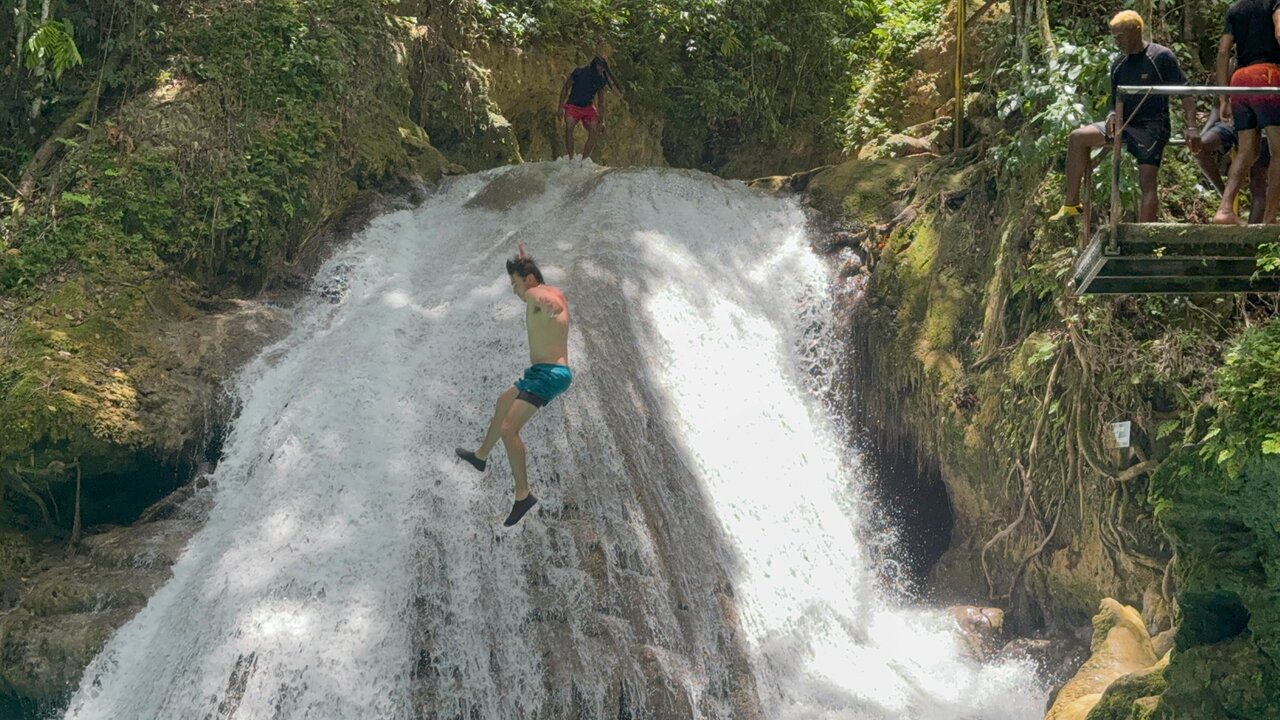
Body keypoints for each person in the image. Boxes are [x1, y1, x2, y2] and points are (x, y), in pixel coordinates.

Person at [455, 244, 572, 527]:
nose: (514, 290)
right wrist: (524, 262)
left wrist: (548, 305)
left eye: (515, 284)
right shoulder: (547, 289)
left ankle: (523, 495)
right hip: (539, 372)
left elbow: (544, 298)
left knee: (509, 429)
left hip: (550, 373)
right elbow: (547, 294)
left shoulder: (536, 293)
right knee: (503, 402)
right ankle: (481, 456)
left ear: (529, 281)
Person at [1050, 11, 1200, 223]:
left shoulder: (1160, 56)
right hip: (1123, 123)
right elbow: (1114, 101)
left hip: (1152, 127)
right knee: (1078, 137)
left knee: (1147, 180)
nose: (1117, 41)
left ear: (1135, 31)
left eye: (1120, 36)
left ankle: (1145, 236)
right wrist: (1112, 115)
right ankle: (1071, 203)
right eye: (1114, 36)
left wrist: (1192, 127)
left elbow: (1186, 92)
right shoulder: (1119, 64)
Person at [1211, 0, 1280, 225]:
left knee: (1247, 151)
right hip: (1267, 76)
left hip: (1239, 80)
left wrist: (1224, 96)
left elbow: (1223, 52)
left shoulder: (1236, 8)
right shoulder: (1274, 3)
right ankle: (1270, 219)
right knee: (1278, 151)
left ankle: (1224, 209)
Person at [1196, 104, 1270, 223]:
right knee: (1200, 149)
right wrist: (1199, 137)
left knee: (1258, 183)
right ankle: (1225, 198)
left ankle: (1252, 234)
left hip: (1263, 127)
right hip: (1234, 122)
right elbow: (1217, 104)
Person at [558, 56, 620, 160]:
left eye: (603, 69)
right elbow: (566, 87)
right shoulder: (579, 72)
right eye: (600, 69)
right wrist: (560, 106)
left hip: (588, 107)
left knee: (595, 129)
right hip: (573, 105)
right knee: (569, 126)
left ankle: (584, 160)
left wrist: (602, 119)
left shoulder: (601, 80)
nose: (601, 72)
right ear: (593, 68)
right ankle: (571, 158)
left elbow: (601, 101)